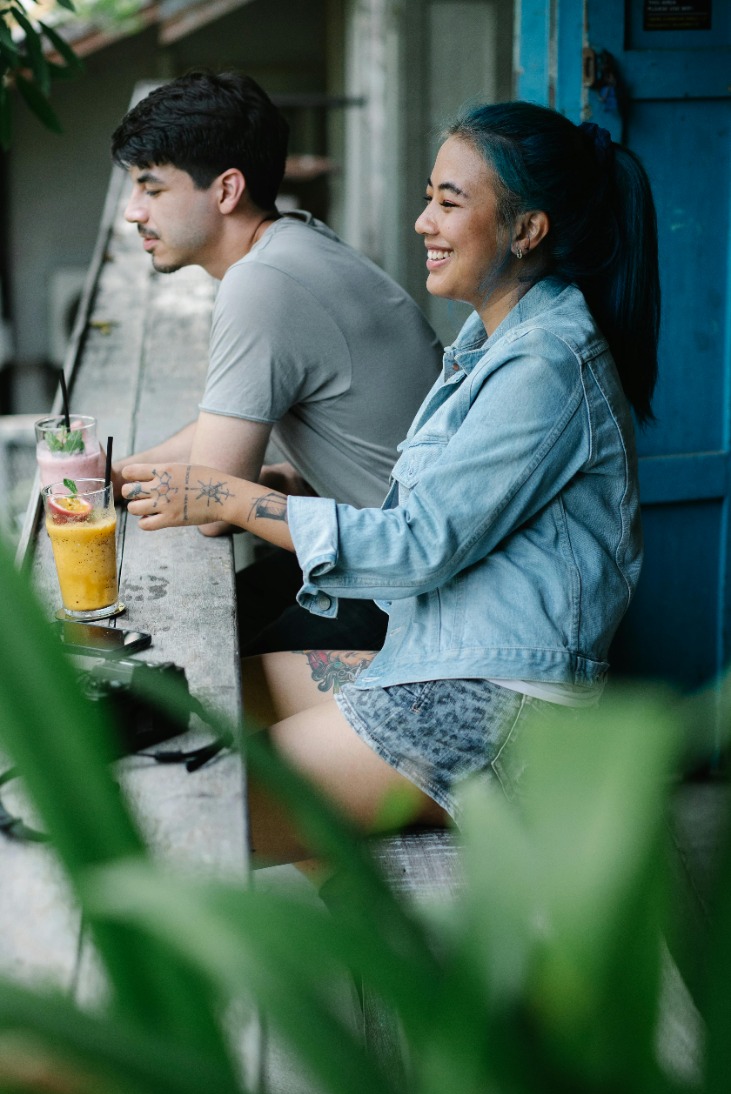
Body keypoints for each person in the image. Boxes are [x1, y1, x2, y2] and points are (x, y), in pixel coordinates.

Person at [122, 101, 660, 867]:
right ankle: (351, 917)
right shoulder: (496, 335)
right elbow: (441, 515)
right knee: (202, 697)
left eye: (449, 202)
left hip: (492, 707)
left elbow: (417, 548)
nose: (422, 222)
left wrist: (230, 497)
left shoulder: (546, 364)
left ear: (526, 230)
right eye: (427, 197)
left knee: (189, 812)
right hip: (439, 657)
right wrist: (289, 493)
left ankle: (364, 950)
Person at [109, 70, 443, 654]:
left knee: (184, 676)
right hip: (376, 552)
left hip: (405, 591)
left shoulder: (262, 283)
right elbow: (229, 425)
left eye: (152, 188)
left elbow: (212, 505)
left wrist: (156, 480)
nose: (133, 212)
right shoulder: (294, 240)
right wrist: (124, 472)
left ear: (226, 190)